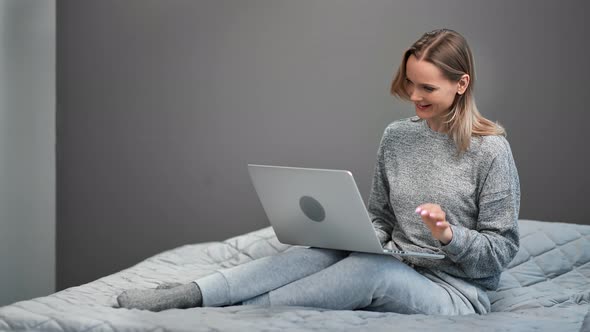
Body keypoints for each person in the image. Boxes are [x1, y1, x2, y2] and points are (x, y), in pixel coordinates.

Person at [116, 28, 520, 315]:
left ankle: (236, 312)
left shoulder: (491, 151)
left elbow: (499, 253)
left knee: (369, 269)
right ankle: (193, 293)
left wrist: (449, 236)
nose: (413, 96)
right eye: (410, 83)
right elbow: (380, 215)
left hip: (457, 290)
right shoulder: (397, 137)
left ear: (461, 84)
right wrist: (359, 238)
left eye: (427, 88)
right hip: (398, 261)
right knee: (321, 253)